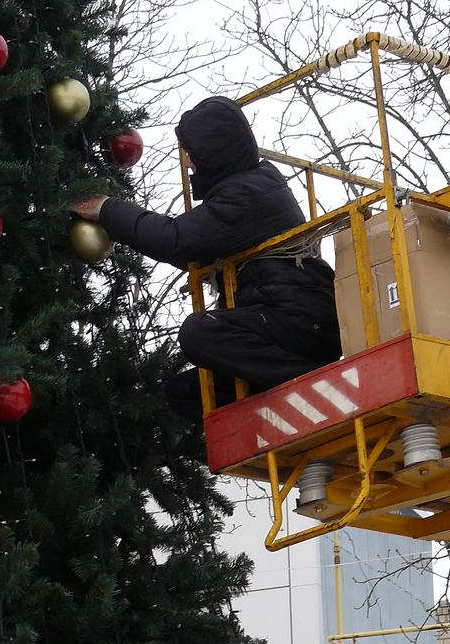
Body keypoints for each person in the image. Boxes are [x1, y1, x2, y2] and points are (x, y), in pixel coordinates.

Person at [69, 96, 342, 420]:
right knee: (187, 394)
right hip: (282, 322)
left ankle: (315, 386)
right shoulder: (247, 187)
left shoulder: (246, 194)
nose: (187, 163)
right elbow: (193, 249)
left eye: (191, 153)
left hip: (301, 323)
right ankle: (284, 408)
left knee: (200, 332)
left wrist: (107, 208)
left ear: (214, 152)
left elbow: (176, 241)